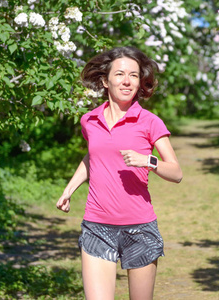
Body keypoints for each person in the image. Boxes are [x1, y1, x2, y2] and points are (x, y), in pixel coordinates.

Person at [56, 46, 183, 300]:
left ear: (140, 82)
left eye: (134, 75)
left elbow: (176, 172)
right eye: (120, 74)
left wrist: (148, 161)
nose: (127, 81)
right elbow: (93, 156)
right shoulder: (89, 120)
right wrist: (69, 190)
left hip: (139, 228)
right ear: (105, 80)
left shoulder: (149, 121)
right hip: (96, 226)